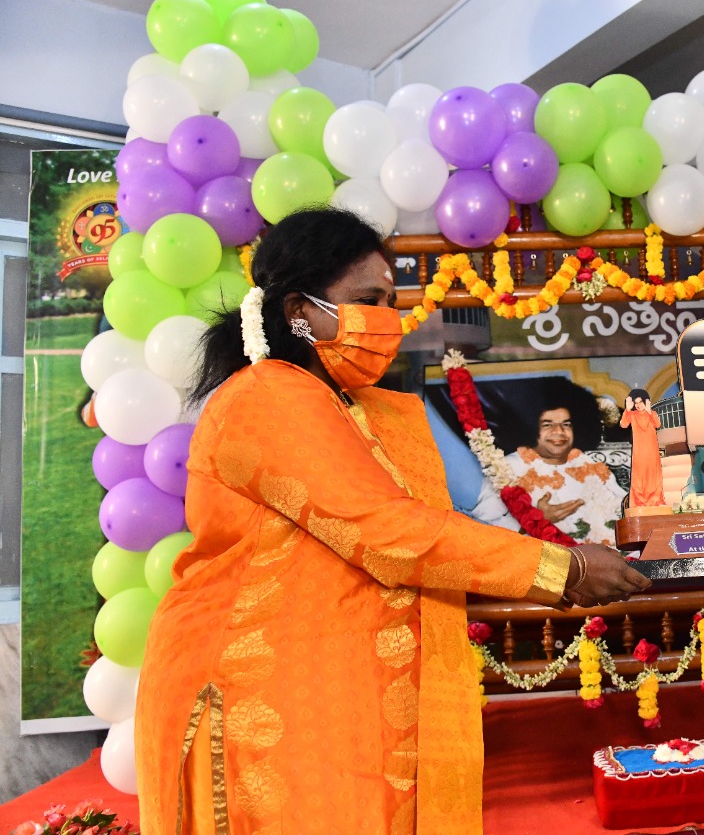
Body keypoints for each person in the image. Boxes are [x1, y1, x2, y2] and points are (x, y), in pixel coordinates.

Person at [134, 207, 649, 834]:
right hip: (259, 690)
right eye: (366, 299)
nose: (387, 320)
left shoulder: (358, 407)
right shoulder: (267, 396)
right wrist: (556, 569)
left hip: (339, 691)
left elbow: (435, 520)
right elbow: (384, 529)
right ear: (299, 310)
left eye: (390, 300)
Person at [504, 402, 627, 543]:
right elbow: (492, 532)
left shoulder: (587, 463)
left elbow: (623, 505)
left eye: (566, 424)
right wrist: (536, 521)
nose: (559, 431)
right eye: (547, 424)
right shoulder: (507, 468)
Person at [621, 388, 664, 508]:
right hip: (639, 451)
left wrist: (649, 411)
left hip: (651, 450)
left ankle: (655, 501)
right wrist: (628, 409)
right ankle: (639, 502)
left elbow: (658, 424)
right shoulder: (633, 415)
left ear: (646, 401)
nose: (638, 405)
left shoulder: (652, 414)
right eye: (636, 403)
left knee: (653, 475)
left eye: (640, 402)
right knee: (639, 475)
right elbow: (623, 424)